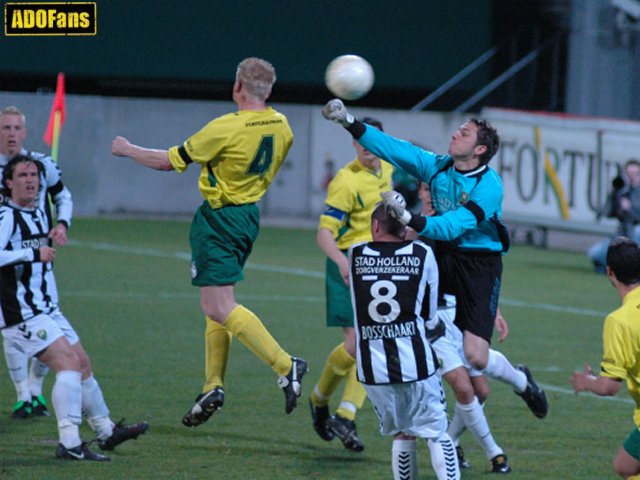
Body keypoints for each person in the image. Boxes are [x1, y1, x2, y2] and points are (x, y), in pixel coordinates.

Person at [322, 99, 548, 421]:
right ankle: (416, 406)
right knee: (415, 320)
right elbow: (394, 149)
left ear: (480, 150)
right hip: (442, 254)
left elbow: (453, 225)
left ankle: (521, 381)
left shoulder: (488, 186)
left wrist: (410, 218)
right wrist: (348, 120)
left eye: (465, 133)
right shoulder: (438, 166)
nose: (456, 133)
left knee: (476, 357)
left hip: (480, 264)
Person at [111, 57, 307, 426]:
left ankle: (287, 365)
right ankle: (212, 384)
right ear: (270, 90)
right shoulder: (282, 125)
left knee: (217, 305)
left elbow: (170, 161)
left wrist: (127, 148)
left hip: (220, 219)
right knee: (218, 302)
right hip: (249, 216)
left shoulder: (225, 128)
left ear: (237, 87)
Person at [0, 155, 148, 460]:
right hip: (21, 314)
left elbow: (61, 201)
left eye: (35, 175)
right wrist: (31, 255)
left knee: (82, 363)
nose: (31, 180)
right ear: (9, 182)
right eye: (23, 175)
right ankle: (69, 443)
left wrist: (60, 228)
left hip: (47, 307)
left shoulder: (40, 213)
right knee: (67, 365)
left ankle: (106, 432)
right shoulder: (5, 217)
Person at [349, 201, 459, 480]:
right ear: (405, 226)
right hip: (416, 363)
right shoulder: (422, 253)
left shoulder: (356, 254)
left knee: (402, 432)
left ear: (375, 226)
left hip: (374, 369)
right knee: (436, 432)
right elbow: (430, 313)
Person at [412, 181, 511, 473]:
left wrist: (493, 311)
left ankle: (452, 441)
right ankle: (495, 453)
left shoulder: (453, 227)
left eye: (435, 190)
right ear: (420, 193)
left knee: (481, 391)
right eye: (426, 190)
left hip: (460, 314)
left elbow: (474, 273)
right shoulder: (412, 227)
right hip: (431, 322)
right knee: (464, 389)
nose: (431, 195)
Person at [310, 116, 393, 452]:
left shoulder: (389, 169)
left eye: (374, 142)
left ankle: (337, 410)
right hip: (347, 263)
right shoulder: (345, 181)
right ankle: (326, 404)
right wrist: (343, 262)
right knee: (359, 344)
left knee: (367, 346)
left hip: (381, 267)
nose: (368, 148)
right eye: (362, 142)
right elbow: (324, 233)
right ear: (355, 144)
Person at [0, 105, 73, 419]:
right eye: (6, 128)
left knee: (45, 315)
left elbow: (63, 195)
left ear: (25, 133)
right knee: (11, 323)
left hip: (38, 255)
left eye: (17, 128)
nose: (11, 134)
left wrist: (63, 224)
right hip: (5, 257)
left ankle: (35, 387)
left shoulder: (42, 164)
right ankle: (22, 396)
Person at [571, 236, 640, 479]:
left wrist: (586, 381)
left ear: (610, 272)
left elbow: (610, 386)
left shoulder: (619, 321)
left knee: (625, 466)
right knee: (626, 466)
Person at [588, 160, 640, 273]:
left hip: (636, 236)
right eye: (629, 174)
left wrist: (630, 208)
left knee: (638, 231)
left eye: (636, 174)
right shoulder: (621, 191)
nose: (632, 177)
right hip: (622, 235)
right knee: (595, 253)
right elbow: (606, 213)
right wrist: (615, 195)